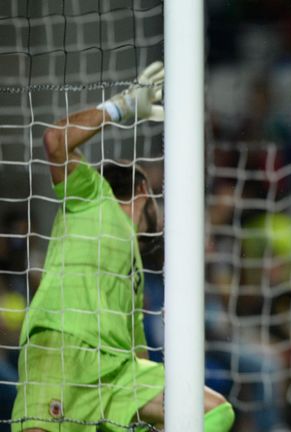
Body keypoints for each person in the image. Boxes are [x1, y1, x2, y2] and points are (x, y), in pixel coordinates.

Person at [11, 62, 235, 431]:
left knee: (215, 410)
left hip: (117, 373)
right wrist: (122, 107)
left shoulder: (137, 275)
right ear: (143, 191)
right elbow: (55, 141)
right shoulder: (91, 195)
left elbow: (138, 351)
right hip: (64, 348)